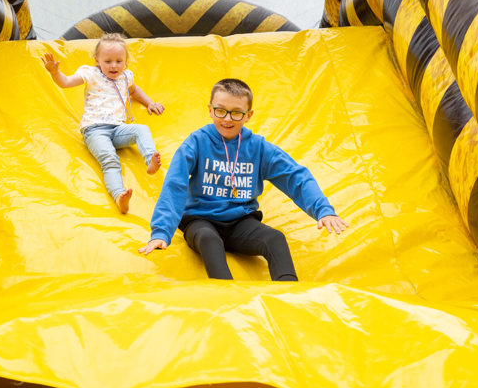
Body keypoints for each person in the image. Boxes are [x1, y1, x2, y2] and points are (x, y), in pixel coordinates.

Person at [138, 78, 347, 281]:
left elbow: (295, 176)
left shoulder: (258, 147)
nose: (227, 119)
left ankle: (288, 295)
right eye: (220, 110)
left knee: (275, 238)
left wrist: (323, 210)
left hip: (240, 222)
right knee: (209, 239)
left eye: (236, 113)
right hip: (200, 221)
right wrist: (161, 232)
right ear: (210, 109)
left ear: (248, 115)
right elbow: (175, 183)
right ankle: (228, 298)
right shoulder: (197, 142)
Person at [41, 33, 165, 213]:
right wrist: (55, 72)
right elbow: (66, 82)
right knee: (109, 159)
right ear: (97, 60)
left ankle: (150, 160)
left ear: (125, 61)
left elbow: (134, 90)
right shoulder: (90, 74)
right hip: (95, 130)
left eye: (118, 61)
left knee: (141, 129)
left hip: (118, 129)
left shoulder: (126, 77)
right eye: (108, 61)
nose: (114, 66)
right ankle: (119, 195)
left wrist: (150, 103)